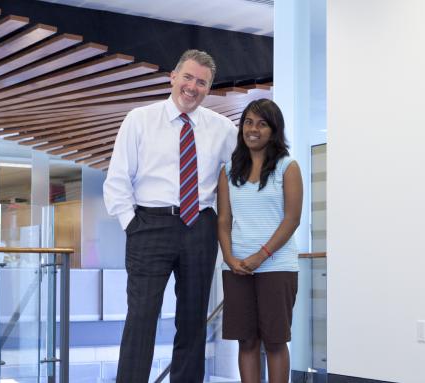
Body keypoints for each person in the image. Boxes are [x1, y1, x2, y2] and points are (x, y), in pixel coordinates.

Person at [103, 49, 237, 382]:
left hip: (200, 228)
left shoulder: (222, 129)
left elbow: (244, 174)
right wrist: (132, 225)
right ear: (173, 77)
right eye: (188, 77)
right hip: (149, 224)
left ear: (209, 89)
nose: (193, 87)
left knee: (192, 321)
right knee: (141, 318)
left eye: (202, 82)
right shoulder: (140, 119)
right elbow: (118, 180)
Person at [217, 99, 303, 383]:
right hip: (238, 268)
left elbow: (291, 220)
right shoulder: (229, 171)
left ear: (273, 130)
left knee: (276, 341)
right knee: (246, 341)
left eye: (262, 124)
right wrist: (229, 258)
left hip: (277, 267)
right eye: (248, 123)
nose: (253, 130)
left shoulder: (287, 167)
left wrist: (261, 255)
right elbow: (224, 221)